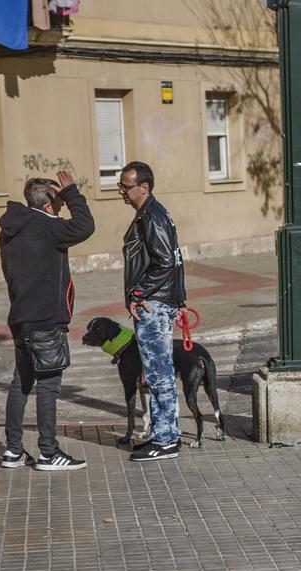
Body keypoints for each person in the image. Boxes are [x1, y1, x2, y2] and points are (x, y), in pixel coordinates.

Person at [0, 172, 94, 471]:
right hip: (46, 321)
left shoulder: (10, 228)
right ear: (50, 203)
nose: (64, 206)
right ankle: (49, 453)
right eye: (60, 201)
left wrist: (62, 196)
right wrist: (73, 192)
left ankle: (13, 451)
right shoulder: (48, 227)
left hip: (21, 318)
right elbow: (86, 226)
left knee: (21, 384)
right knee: (49, 387)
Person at [119, 161, 187, 462]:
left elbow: (163, 262)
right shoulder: (151, 213)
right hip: (157, 301)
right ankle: (162, 434)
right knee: (156, 373)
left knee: (159, 375)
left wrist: (138, 292)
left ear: (143, 187)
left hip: (154, 304)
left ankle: (168, 440)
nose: (120, 190)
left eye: (125, 185)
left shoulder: (152, 217)